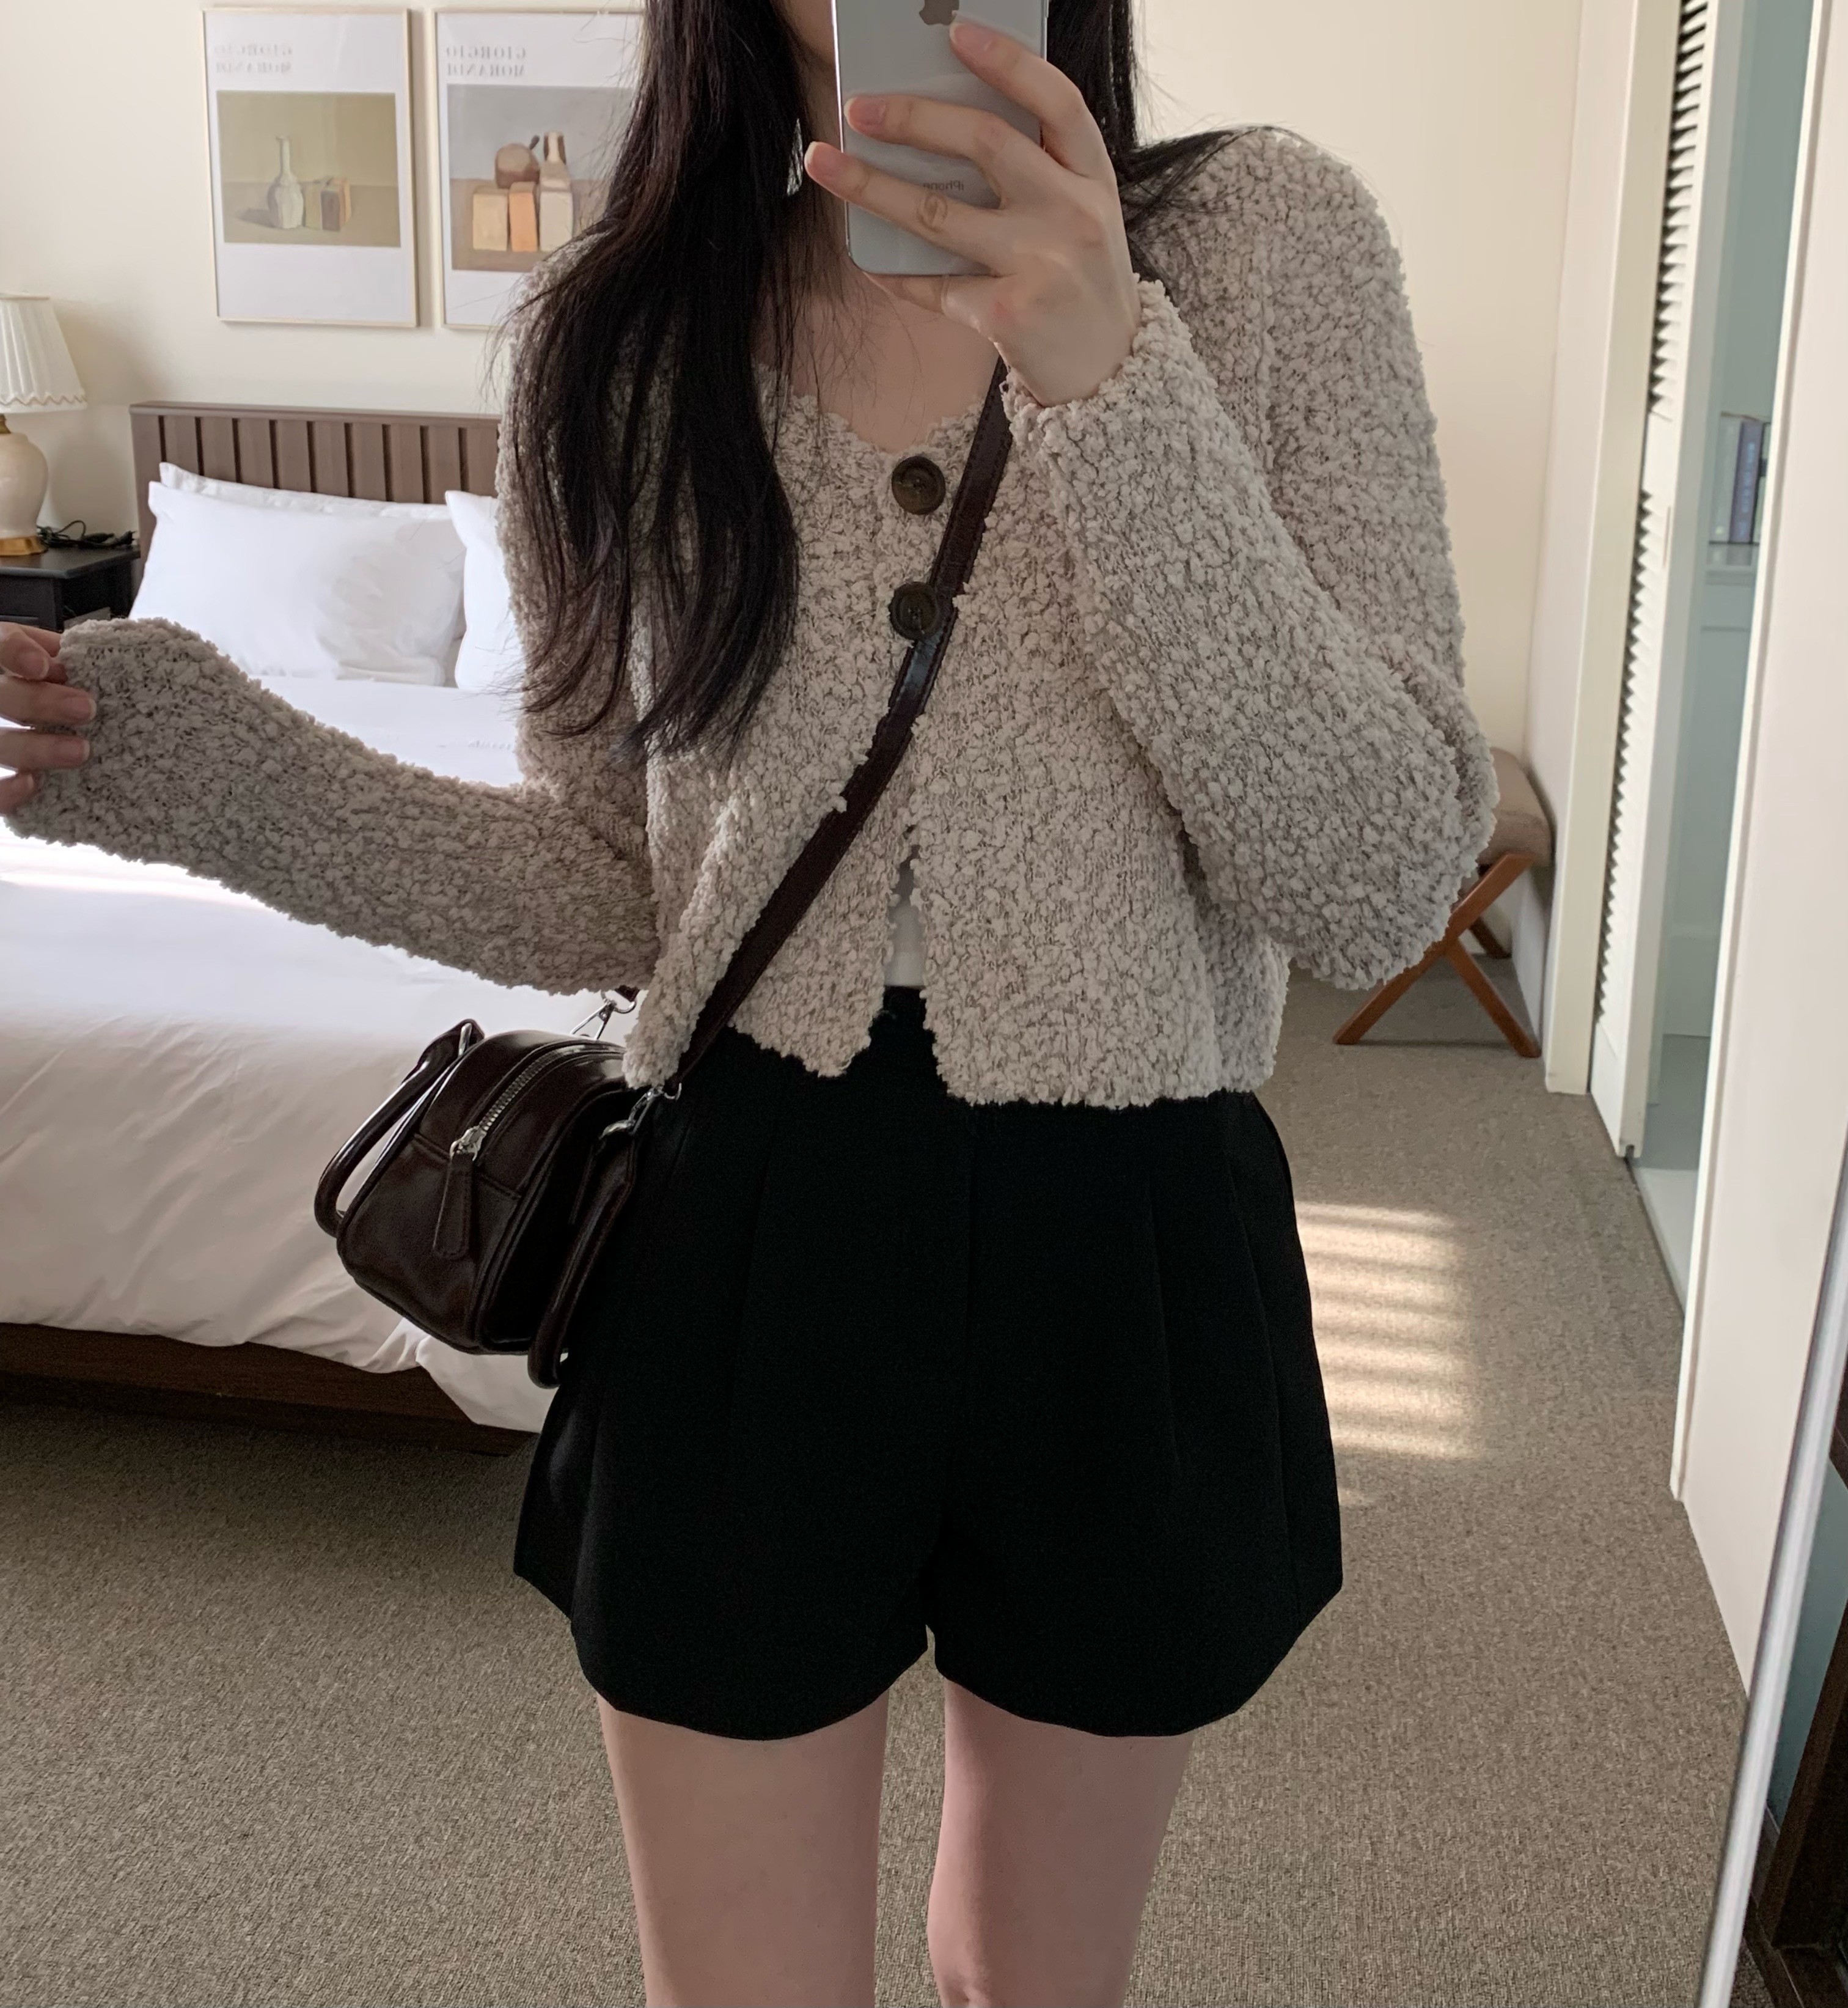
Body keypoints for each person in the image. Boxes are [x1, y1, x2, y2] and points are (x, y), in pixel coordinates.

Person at [0, 1, 1498, 2001]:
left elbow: (1381, 875)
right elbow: (617, 879)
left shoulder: (1269, 249)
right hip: (746, 1223)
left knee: (1030, 1976)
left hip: (1124, 1238)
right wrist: (211, 771)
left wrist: (1108, 372)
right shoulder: (616, 339)